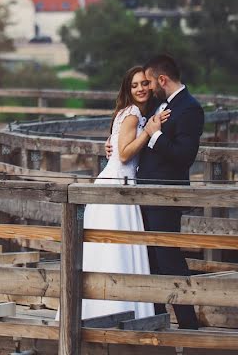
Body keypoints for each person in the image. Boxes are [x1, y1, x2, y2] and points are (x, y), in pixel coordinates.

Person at [71, 65, 169, 321]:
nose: (140, 89)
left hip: (118, 183)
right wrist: (148, 133)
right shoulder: (134, 114)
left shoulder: (129, 113)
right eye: (134, 85)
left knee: (112, 251)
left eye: (144, 84)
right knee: (115, 250)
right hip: (118, 187)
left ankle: (108, 310)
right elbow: (124, 154)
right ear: (128, 89)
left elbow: (118, 148)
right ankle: (113, 310)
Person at [137, 54, 204, 330]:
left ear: (162, 80)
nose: (147, 88)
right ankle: (156, 319)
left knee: (168, 257)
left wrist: (155, 135)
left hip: (166, 195)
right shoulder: (156, 103)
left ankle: (188, 323)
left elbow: (184, 156)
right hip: (144, 192)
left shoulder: (190, 109)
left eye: (150, 82)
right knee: (151, 257)